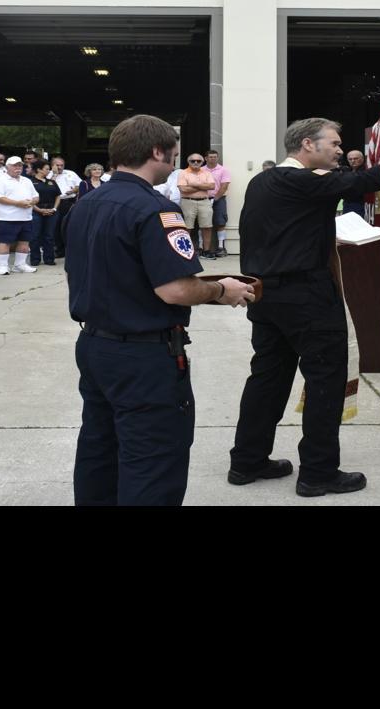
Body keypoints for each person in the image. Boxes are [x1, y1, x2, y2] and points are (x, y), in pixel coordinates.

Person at [229, 112, 380, 497]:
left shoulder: (263, 181)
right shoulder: (302, 182)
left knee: (267, 379)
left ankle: (247, 461)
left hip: (265, 295)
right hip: (306, 297)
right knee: (325, 382)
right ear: (307, 144)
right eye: (333, 143)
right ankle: (318, 473)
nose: (339, 150)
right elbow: (372, 179)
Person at [63, 114, 255, 506]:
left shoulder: (85, 204)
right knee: (152, 458)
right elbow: (176, 289)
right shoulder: (156, 210)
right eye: (175, 155)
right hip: (143, 356)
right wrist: (222, 289)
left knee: (100, 449)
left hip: (95, 345)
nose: (176, 162)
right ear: (157, 152)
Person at [0, 156, 38, 275]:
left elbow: (36, 196)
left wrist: (32, 202)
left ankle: (20, 265)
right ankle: (1, 266)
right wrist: (18, 203)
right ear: (7, 167)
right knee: (5, 242)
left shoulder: (27, 180)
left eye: (20, 165)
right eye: (15, 165)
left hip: (26, 217)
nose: (18, 168)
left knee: (24, 242)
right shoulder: (1, 180)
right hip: (7, 217)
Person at [177, 153, 214, 257]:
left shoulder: (207, 173)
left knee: (207, 227)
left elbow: (212, 186)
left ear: (202, 162)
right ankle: (185, 251)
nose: (196, 162)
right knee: (187, 227)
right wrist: (202, 186)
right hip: (188, 202)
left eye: (198, 161)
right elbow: (183, 189)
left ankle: (206, 251)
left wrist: (194, 184)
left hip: (204, 202)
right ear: (188, 162)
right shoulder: (183, 173)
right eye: (193, 161)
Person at [27, 161, 59, 266]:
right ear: (39, 169)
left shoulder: (51, 182)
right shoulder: (30, 182)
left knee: (49, 236)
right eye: (46, 169)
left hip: (51, 211)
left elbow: (58, 196)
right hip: (35, 211)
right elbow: (28, 198)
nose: (49, 171)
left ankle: (49, 259)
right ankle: (35, 259)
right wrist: (39, 210)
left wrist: (54, 209)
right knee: (35, 236)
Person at [207, 150, 232, 258]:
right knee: (203, 223)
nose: (213, 159)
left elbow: (224, 186)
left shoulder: (223, 170)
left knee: (220, 222)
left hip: (219, 199)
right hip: (203, 199)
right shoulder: (201, 170)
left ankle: (221, 247)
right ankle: (203, 248)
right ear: (206, 158)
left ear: (217, 158)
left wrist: (215, 199)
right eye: (210, 157)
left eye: (215, 157)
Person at [341, 149, 368, 219]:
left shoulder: (366, 171)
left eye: (355, 158)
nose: (353, 161)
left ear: (362, 159)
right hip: (347, 204)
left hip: (361, 204)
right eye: (350, 159)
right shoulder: (346, 171)